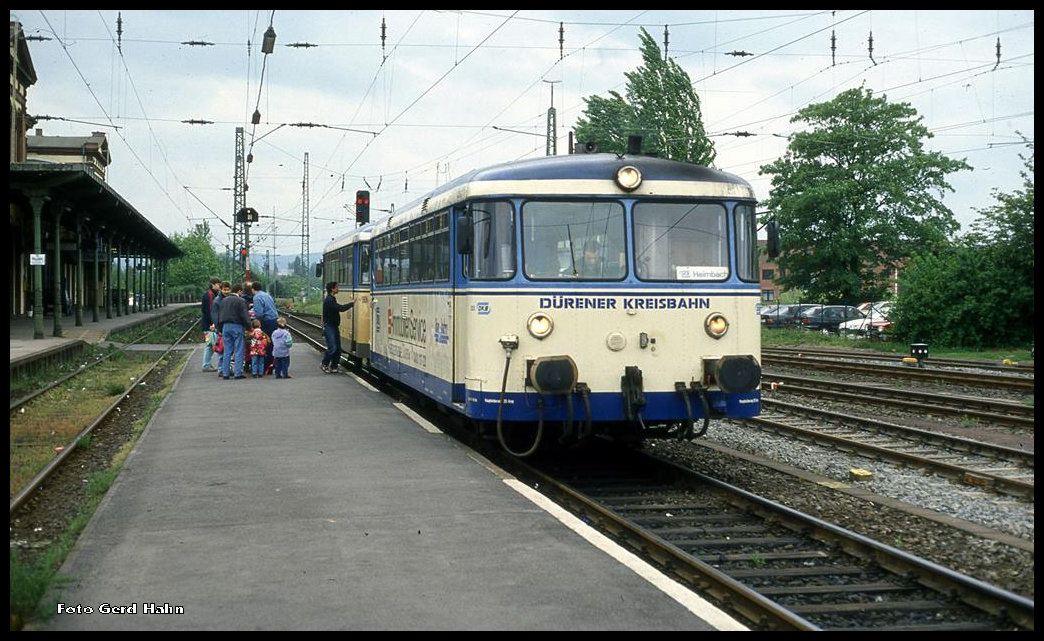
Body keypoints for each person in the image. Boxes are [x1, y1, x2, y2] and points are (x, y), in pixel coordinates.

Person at [218, 283, 251, 380]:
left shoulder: (223, 300)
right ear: (240, 291)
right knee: (239, 350)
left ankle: (225, 373)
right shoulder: (241, 301)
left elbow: (220, 315)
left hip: (225, 327)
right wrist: (249, 327)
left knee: (227, 350)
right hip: (237, 326)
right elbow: (245, 315)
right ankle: (238, 373)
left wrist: (220, 329)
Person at [321, 281, 354, 373]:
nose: (338, 288)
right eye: (337, 287)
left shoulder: (331, 299)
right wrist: (351, 304)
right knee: (333, 348)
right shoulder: (329, 300)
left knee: (338, 349)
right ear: (332, 289)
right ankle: (324, 364)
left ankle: (334, 366)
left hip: (334, 326)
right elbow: (340, 308)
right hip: (329, 327)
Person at [250, 282, 279, 375]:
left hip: (266, 322)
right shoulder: (267, 295)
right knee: (271, 343)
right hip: (274, 320)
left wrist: (256, 324)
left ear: (253, 289)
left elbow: (259, 314)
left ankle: (265, 366)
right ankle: (272, 365)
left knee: (264, 343)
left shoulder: (257, 297)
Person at [200, 277, 221, 371]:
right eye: (218, 284)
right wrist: (212, 323)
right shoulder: (209, 295)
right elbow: (209, 311)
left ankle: (207, 364)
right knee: (209, 344)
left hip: (208, 325)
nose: (219, 286)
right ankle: (206, 365)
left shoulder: (211, 294)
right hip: (209, 326)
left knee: (211, 344)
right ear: (213, 284)